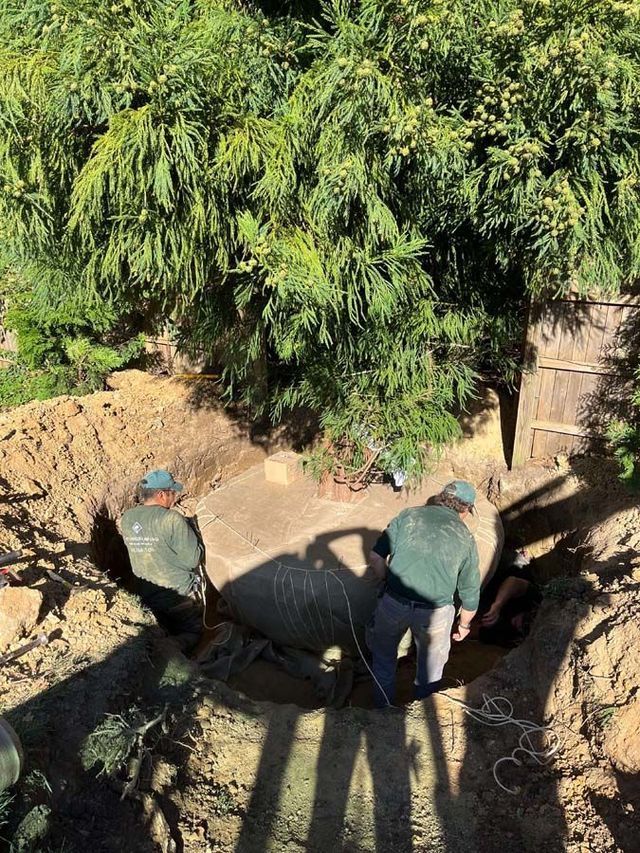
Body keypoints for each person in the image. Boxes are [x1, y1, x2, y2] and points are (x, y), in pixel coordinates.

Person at [367, 480, 480, 707]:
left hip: (393, 603)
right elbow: (470, 592)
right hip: (435, 613)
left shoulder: (409, 516)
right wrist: (464, 625)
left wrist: (387, 582)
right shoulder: (465, 538)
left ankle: (382, 715)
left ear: (440, 498)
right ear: (465, 509)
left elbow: (375, 557)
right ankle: (422, 713)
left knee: (383, 660)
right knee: (430, 669)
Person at [121, 469, 204, 648]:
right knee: (193, 633)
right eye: (172, 492)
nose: (175, 497)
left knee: (164, 627)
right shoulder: (172, 519)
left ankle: (163, 638)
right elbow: (193, 560)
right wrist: (196, 538)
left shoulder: (127, 518)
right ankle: (168, 650)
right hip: (179, 597)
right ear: (161, 494)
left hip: (148, 597)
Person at [473, 547, 540, 647]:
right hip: (505, 568)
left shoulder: (512, 636)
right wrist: (498, 605)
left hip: (484, 594)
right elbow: (512, 582)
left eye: (525, 630)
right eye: (526, 621)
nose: (520, 625)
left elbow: (479, 633)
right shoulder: (536, 600)